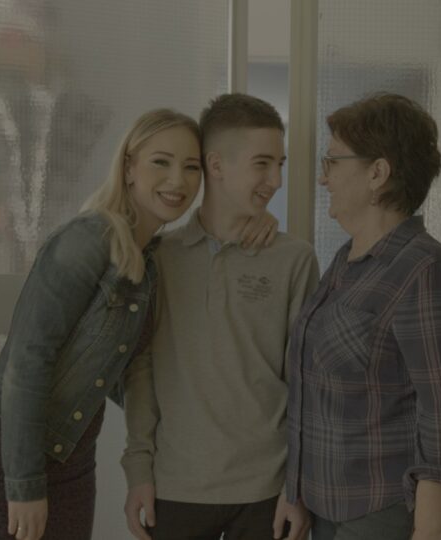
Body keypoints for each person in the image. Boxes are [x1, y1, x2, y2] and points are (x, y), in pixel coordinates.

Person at [0, 109, 207, 540]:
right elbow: (28, 359)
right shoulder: (88, 239)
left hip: (71, 464)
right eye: (161, 161)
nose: (177, 180)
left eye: (191, 167)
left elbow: (122, 373)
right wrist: (24, 485)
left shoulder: (149, 262)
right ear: (128, 167)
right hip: (6, 459)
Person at [122, 93, 319, 540]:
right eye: (262, 164)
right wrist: (139, 471)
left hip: (268, 493)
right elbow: (140, 371)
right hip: (177, 487)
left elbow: (307, 382)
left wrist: (299, 485)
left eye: (280, 165)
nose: (276, 180)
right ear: (216, 165)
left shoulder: (295, 259)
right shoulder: (159, 258)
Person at [285, 93, 441, 540]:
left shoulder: (426, 271)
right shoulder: (346, 261)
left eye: (332, 161)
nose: (322, 177)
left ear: (377, 172)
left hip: (387, 514)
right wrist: (293, 489)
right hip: (328, 509)